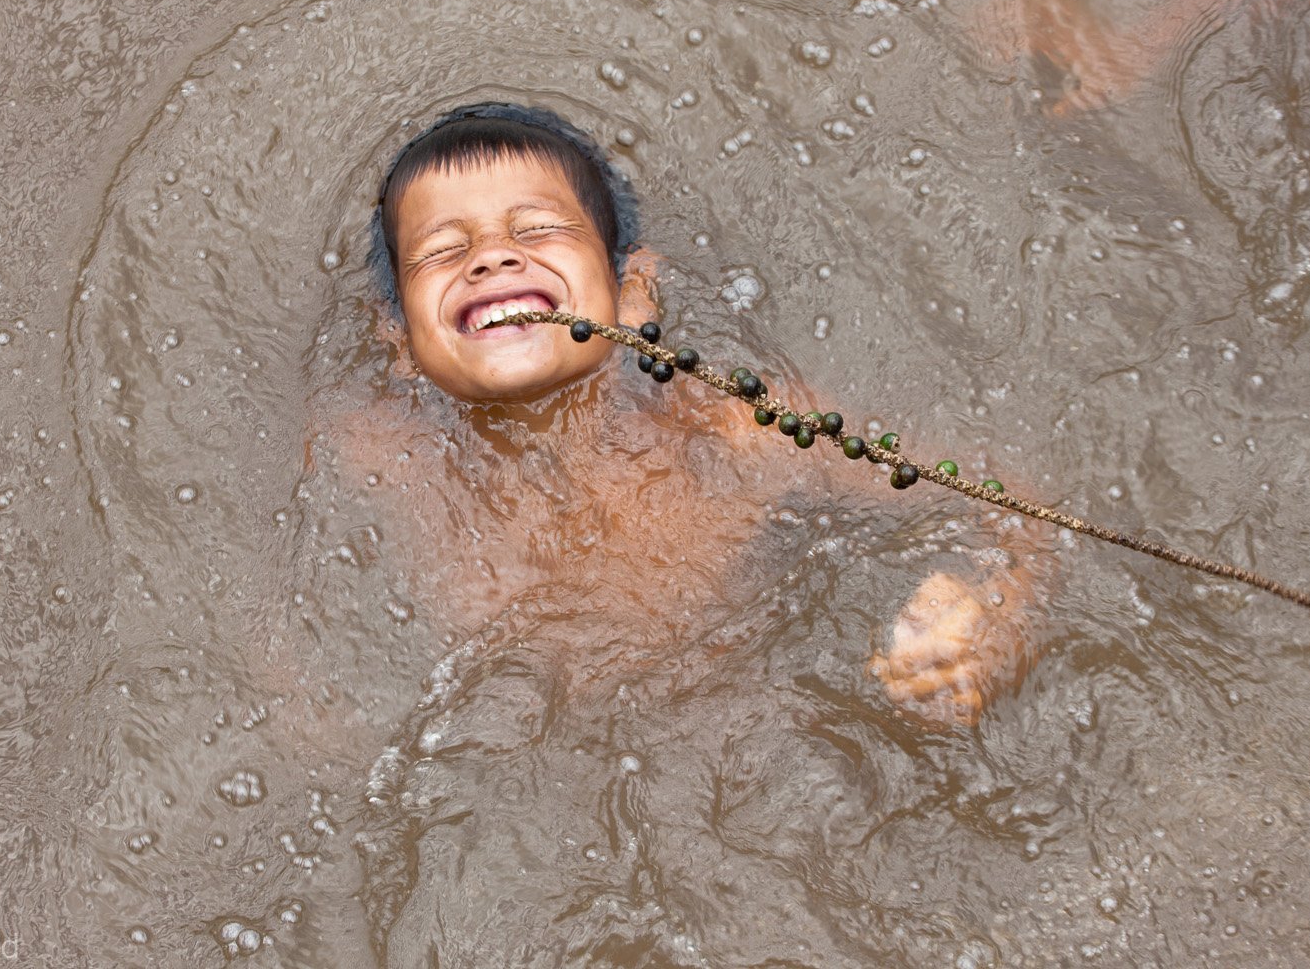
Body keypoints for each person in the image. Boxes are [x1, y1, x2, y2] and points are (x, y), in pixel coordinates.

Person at [341, 102, 1055, 727]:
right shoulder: (369, 457)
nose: (492, 257)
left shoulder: (726, 426)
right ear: (400, 341)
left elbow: (1016, 506)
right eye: (444, 249)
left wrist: (990, 609)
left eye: (534, 230)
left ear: (633, 296)